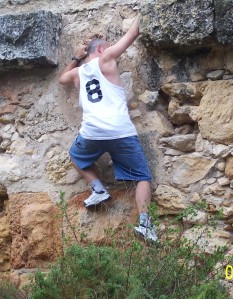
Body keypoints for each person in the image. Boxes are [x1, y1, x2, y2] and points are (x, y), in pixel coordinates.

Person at [58, 15, 157, 242]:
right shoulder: (108, 58)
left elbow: (62, 79)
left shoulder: (77, 73)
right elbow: (132, 33)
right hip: (121, 130)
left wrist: (76, 58)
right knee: (142, 176)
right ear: (102, 48)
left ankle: (99, 189)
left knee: (75, 155)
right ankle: (145, 225)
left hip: (92, 131)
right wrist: (143, 13)